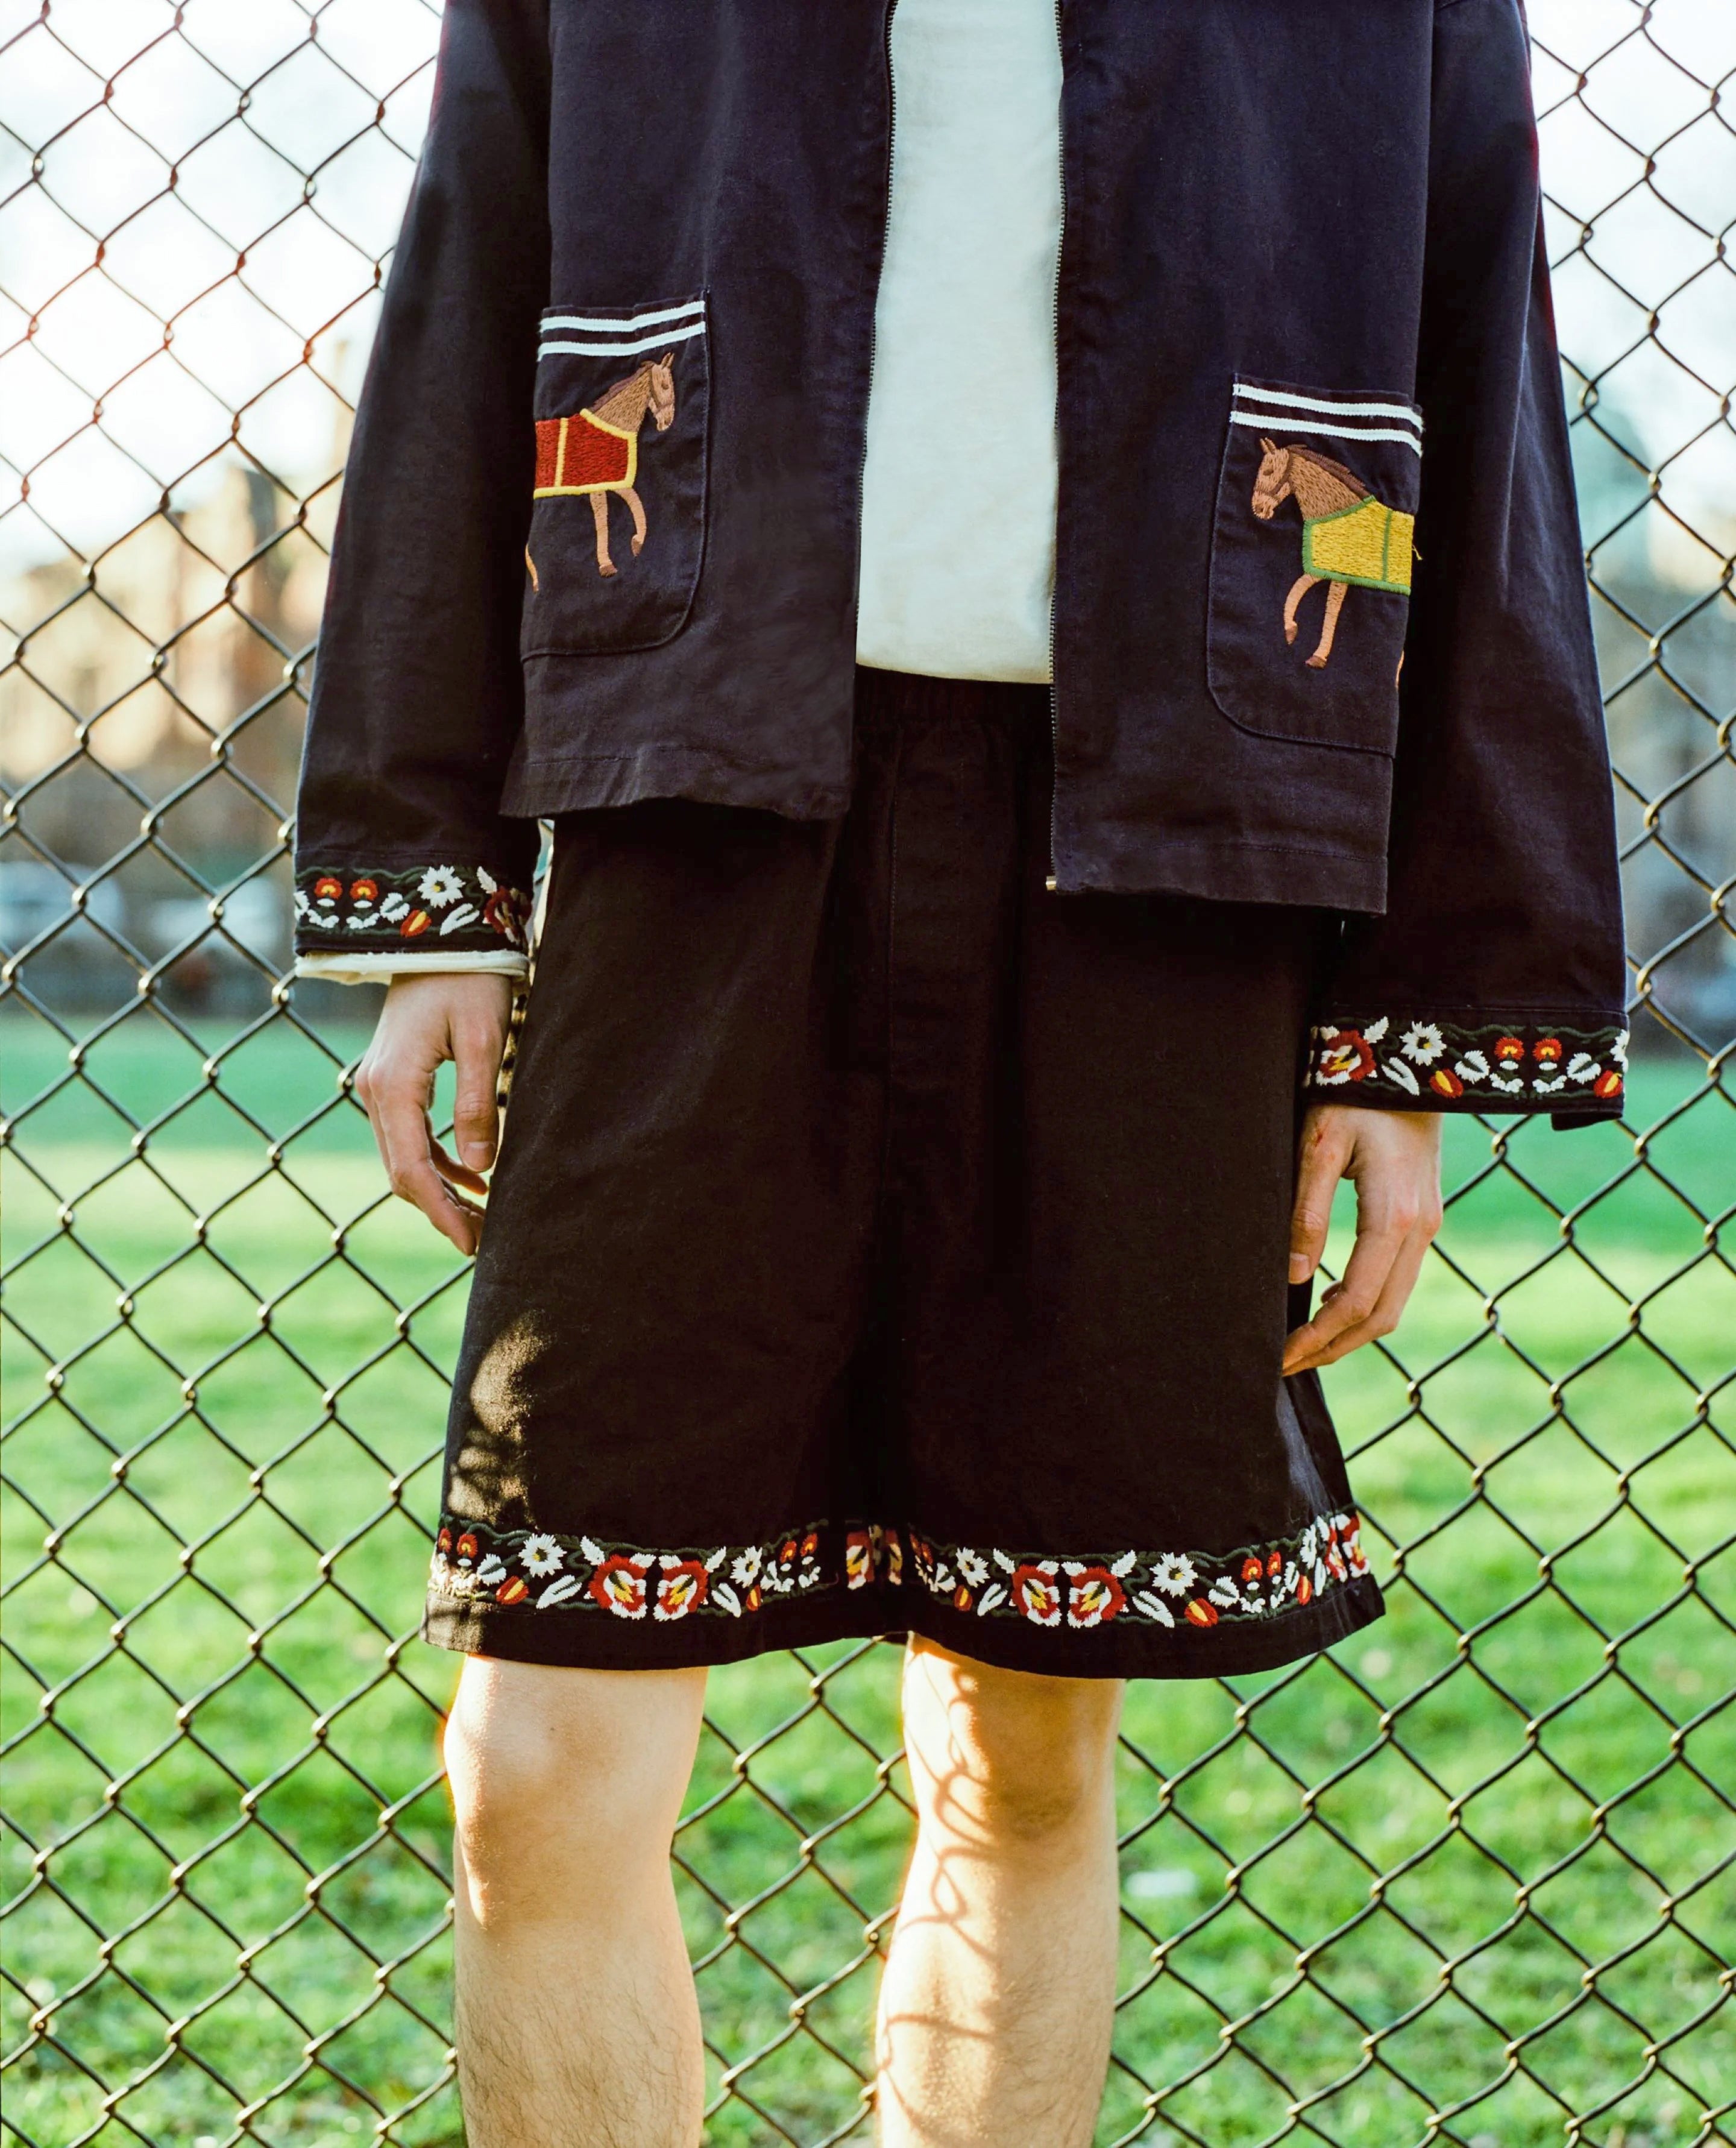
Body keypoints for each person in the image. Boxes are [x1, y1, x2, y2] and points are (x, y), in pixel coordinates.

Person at [292, 0, 1626, 2138]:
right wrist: (428, 869)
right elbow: (474, 281)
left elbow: (1482, 393)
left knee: (1023, 1734)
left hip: (1174, 842)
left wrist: (1426, 1010)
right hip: (693, 808)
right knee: (538, 1752)